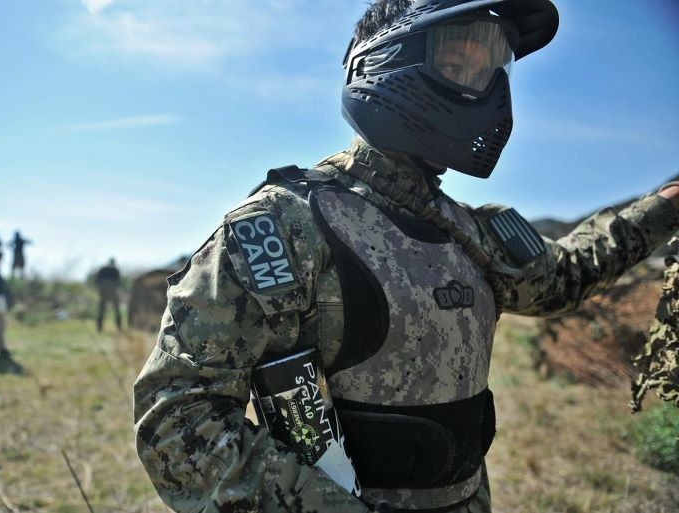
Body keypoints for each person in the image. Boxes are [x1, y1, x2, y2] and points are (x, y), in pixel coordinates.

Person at [133, 1, 679, 512]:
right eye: (457, 61)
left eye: (489, 70)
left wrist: (664, 207)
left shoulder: (467, 228)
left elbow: (562, 278)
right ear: (385, 61)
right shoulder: (287, 224)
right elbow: (179, 421)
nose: (482, 89)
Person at [95, 257, 122, 332]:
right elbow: (119, 282)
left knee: (101, 310)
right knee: (116, 310)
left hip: (103, 291)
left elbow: (96, 281)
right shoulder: (115, 270)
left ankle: (99, 328)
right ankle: (119, 328)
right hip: (112, 290)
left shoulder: (102, 269)